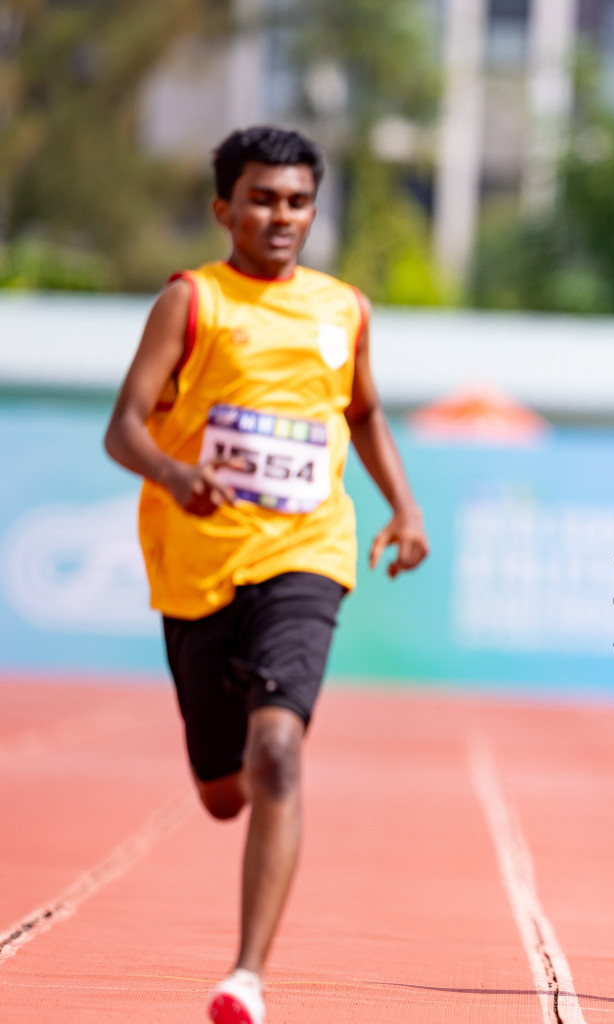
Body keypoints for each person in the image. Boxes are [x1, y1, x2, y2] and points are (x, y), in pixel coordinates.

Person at [104, 126, 429, 1024]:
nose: (279, 216)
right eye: (260, 199)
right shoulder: (192, 302)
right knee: (221, 793)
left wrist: (405, 508)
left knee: (279, 749)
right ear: (224, 209)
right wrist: (174, 475)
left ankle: (245, 975)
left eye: (295, 201)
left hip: (306, 554)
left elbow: (364, 413)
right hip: (199, 570)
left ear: (314, 211)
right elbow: (123, 426)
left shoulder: (345, 309)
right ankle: (239, 762)